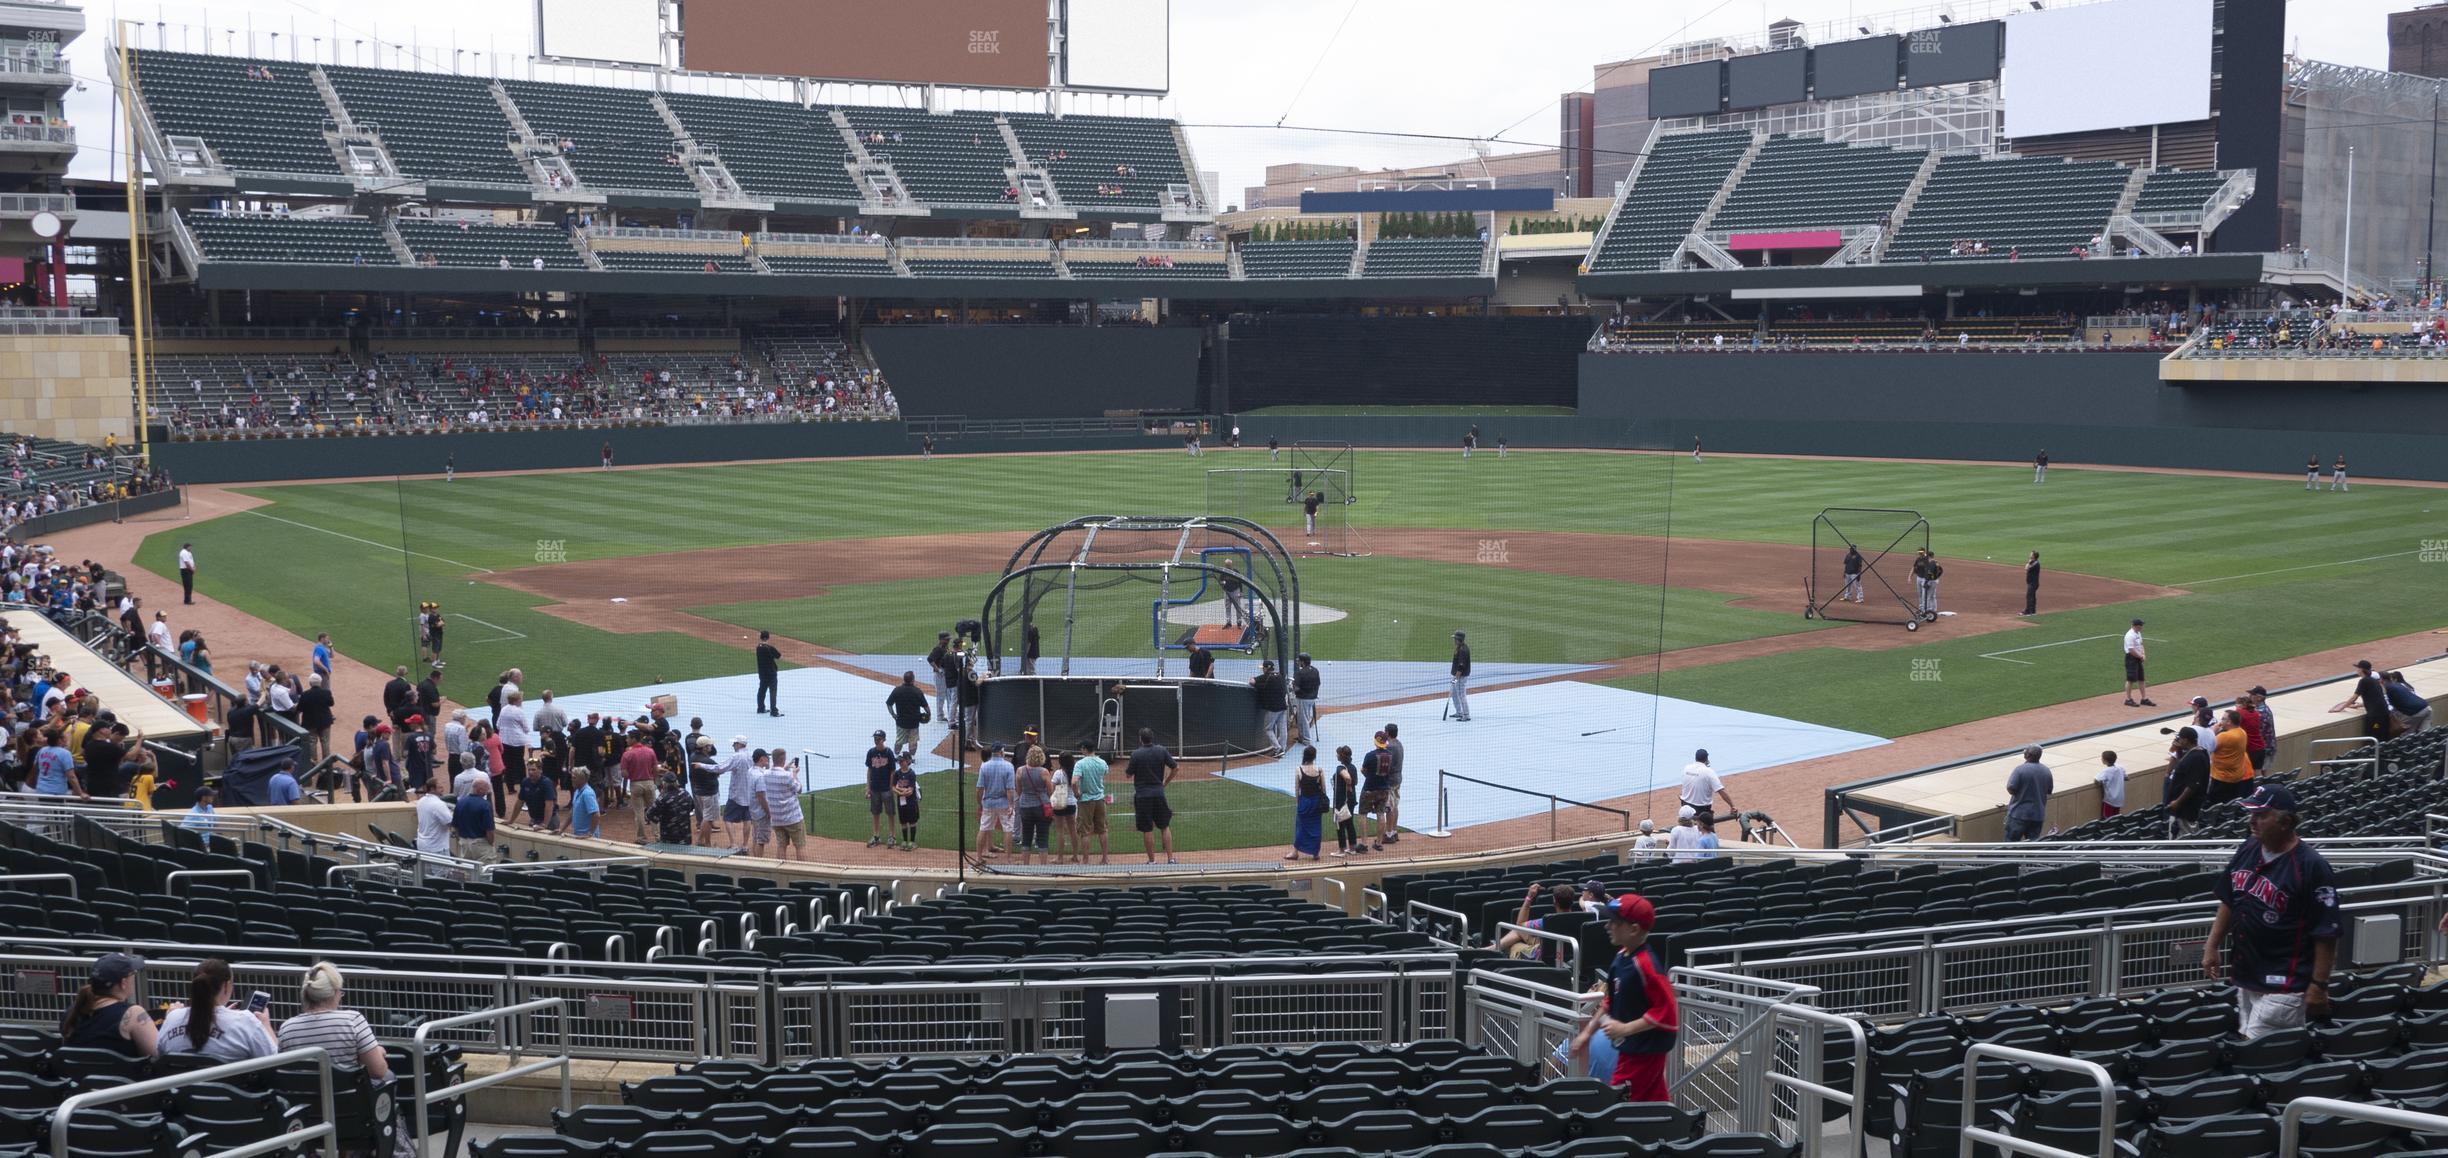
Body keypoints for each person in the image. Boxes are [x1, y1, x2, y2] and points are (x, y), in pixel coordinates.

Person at [2204, 784, 2340, 1038]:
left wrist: (2319, 985)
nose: (2253, 821)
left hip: (2285, 984)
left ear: (2285, 822)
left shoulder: (2312, 866)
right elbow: (2229, 899)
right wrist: (2212, 945)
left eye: (2261, 815)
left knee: (2258, 1056)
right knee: (2251, 1043)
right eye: (2252, 814)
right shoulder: (2249, 847)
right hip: (2247, 975)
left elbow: (2326, 932)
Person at [1569, 893, 1678, 1103]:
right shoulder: (1621, 957)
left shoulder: (1646, 965)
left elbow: (1667, 1012)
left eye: (1614, 922)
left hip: (1644, 1051)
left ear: (1634, 929)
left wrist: (1625, 1029)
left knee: (1620, 1102)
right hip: (1631, 1048)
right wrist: (1587, 1034)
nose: (1607, 926)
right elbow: (1610, 1000)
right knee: (1653, 1103)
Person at [280, 963, 390, 1081]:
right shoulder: (353, 1020)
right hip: (348, 1097)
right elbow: (378, 1071)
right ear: (335, 993)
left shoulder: (286, 1028)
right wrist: (377, 1052)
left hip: (304, 1098)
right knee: (389, 1076)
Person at [160, 958, 277, 1062]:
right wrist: (265, 1024)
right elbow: (274, 1060)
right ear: (226, 986)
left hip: (180, 1087)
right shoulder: (245, 1021)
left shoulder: (172, 1017)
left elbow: (159, 1053)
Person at [60, 952, 155, 1058]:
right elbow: (157, 1054)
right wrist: (172, 1018)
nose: (135, 976)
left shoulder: (72, 1011)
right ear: (123, 983)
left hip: (78, 1074)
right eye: (133, 973)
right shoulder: (133, 1014)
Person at [1125, 727, 1178, 864]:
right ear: (1152, 738)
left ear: (1140, 739)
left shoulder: (1136, 754)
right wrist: (1165, 782)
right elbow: (1175, 767)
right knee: (1164, 826)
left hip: (1142, 796)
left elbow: (1128, 775)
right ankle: (1171, 859)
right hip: (1159, 794)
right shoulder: (1161, 750)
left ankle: (1152, 861)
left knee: (1147, 829)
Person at [1494, 882, 1580, 961]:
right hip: (1572, 953)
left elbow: (1519, 925)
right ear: (1572, 901)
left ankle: (1490, 950)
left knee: (1514, 946)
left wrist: (1529, 897)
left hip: (1545, 957)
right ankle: (1491, 948)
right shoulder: (1582, 918)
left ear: (1554, 900)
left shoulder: (1547, 921)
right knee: (1517, 932)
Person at [2330, 659, 2394, 742]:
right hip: (2384, 713)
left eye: (2358, 668)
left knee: (2374, 736)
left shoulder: (2364, 681)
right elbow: (2375, 698)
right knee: (2383, 737)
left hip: (2376, 716)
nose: (2357, 670)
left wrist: (2340, 708)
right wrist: (2357, 705)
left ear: (2361, 670)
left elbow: (2354, 697)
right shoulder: (2373, 681)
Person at [2164, 728, 2211, 837]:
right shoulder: (2198, 752)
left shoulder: (2196, 757)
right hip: (2185, 808)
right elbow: (2184, 766)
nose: (2178, 740)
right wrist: (2179, 751)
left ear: (2186, 740)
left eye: (2180, 738)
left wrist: (2178, 802)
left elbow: (2193, 785)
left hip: (2186, 809)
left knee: (2183, 840)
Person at [1012, 745, 1051, 865]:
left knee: (1026, 836)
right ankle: (1043, 866)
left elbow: (1018, 790)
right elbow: (1050, 791)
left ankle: (1026, 866)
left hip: (1025, 806)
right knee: (1042, 837)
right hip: (1041, 807)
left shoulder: (1020, 770)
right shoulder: (1044, 772)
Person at [974, 742, 1015, 859]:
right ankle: (1008, 859)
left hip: (988, 803)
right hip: (1004, 804)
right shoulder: (1009, 766)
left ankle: (979, 858)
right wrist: (1011, 805)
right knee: (1008, 829)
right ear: (1002, 752)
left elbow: (979, 789)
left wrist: (980, 803)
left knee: (983, 828)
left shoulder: (984, 766)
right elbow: (1010, 789)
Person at [1074, 739, 1111, 864]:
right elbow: (1105, 772)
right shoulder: (1102, 762)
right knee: (1102, 829)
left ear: (1085, 748)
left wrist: (1076, 793)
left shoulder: (1080, 764)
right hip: (1100, 799)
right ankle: (1105, 859)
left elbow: (1074, 781)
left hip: (1085, 801)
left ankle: (1085, 861)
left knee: (1085, 832)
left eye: (1081, 748)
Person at [2207, 709, 2254, 807]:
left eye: (2223, 719)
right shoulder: (2242, 732)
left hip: (2222, 779)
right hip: (2236, 778)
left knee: (2215, 805)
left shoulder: (2225, 736)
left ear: (2229, 722)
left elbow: (2207, 747)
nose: (2221, 721)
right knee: (2230, 805)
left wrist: (2213, 732)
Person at [1287, 745, 1326, 861]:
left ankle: (1295, 852)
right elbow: (1323, 789)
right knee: (1316, 827)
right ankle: (1315, 853)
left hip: (1304, 802)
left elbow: (1297, 789)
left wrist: (1298, 804)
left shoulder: (1299, 769)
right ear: (1314, 756)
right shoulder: (1319, 770)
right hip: (1316, 803)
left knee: (1300, 826)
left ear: (1304, 756)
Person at [2004, 746, 2050, 842]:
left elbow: (2010, 788)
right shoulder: (2046, 771)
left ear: (2028, 755)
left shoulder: (2020, 770)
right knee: (2032, 847)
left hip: (2018, 815)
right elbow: (2049, 790)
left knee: (2010, 845)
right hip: (2037, 815)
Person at [1678, 749, 1737, 822]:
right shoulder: (1708, 772)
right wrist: (1732, 806)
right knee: (1707, 831)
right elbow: (1721, 791)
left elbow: (1685, 784)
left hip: (1686, 806)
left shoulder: (1686, 768)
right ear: (1706, 759)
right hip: (1701, 810)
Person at [1358, 732, 1393, 852]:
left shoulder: (1370, 755)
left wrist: (1368, 776)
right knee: (1380, 814)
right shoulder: (1390, 755)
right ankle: (1379, 843)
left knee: (1363, 814)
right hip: (1384, 789)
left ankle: (1364, 844)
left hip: (1369, 788)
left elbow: (1363, 769)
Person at [862, 730, 898, 848]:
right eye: (875, 738)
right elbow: (869, 770)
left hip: (886, 788)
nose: (876, 741)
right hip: (875, 788)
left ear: (883, 739)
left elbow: (893, 771)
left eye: (878, 739)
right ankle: (876, 836)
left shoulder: (889, 753)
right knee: (875, 813)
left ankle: (892, 836)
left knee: (890, 813)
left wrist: (891, 786)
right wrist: (868, 787)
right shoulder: (871, 752)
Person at [886, 671, 930, 757]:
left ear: (904, 679)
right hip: (914, 722)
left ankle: (896, 756)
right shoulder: (917, 691)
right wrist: (929, 714)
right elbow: (926, 706)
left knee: (899, 740)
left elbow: (889, 704)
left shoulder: (897, 690)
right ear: (913, 680)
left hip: (901, 721)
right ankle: (912, 758)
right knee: (913, 742)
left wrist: (893, 715)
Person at [1252, 661, 1289, 755]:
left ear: (1265, 668)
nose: (1262, 669)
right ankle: (1283, 749)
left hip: (1273, 708)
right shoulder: (1280, 675)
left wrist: (1257, 685)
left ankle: (1278, 748)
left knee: (1268, 729)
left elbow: (1252, 681)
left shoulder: (1266, 676)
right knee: (1283, 729)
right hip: (1283, 706)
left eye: (1263, 668)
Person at [890, 752, 922, 850]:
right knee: (903, 821)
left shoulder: (911, 774)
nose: (900, 763)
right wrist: (900, 792)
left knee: (912, 821)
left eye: (902, 761)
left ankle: (912, 841)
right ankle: (904, 841)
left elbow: (911, 790)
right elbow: (893, 787)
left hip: (911, 802)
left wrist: (902, 791)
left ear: (908, 761)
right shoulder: (897, 773)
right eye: (899, 761)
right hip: (901, 801)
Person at [2385, 670, 2433, 735]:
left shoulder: (2391, 688)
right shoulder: (2403, 685)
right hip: (2427, 707)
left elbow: (2390, 706)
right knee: (2425, 735)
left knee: (2405, 735)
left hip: (2415, 712)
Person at [412, 778, 451, 856]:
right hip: (437, 848)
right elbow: (450, 822)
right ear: (432, 789)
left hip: (423, 845)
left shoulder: (421, 801)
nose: (443, 789)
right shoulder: (438, 804)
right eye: (440, 787)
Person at [2122, 619, 2154, 707]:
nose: (2142, 627)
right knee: (2130, 679)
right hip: (2131, 658)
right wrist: (2140, 656)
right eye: (2141, 625)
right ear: (2136, 626)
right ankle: (2128, 699)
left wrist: (2143, 654)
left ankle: (2144, 699)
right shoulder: (2130, 635)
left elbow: (2141, 644)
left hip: (2138, 657)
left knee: (2141, 679)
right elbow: (2131, 650)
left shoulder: (2138, 633)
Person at [1292, 653, 1322, 745]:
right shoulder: (1315, 670)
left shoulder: (1300, 673)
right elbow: (1318, 683)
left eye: (1299, 661)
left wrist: (1293, 688)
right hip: (1312, 698)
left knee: (1303, 718)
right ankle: (1301, 737)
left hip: (1303, 698)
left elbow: (1296, 687)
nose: (1298, 662)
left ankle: (1306, 739)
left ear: (1302, 661)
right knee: (1302, 717)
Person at [753, 630, 783, 716]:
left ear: (761, 637)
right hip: (771, 673)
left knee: (762, 690)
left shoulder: (758, 647)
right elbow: (779, 656)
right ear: (768, 637)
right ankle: (774, 711)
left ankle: (760, 708)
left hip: (762, 673)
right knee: (773, 692)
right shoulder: (770, 648)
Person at [2094, 750, 2126, 819]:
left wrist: (2101, 784)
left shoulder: (2106, 771)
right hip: (2119, 798)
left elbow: (2096, 780)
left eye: (2102, 758)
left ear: (2105, 761)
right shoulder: (2120, 768)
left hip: (2110, 799)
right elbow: (2127, 777)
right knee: (2116, 816)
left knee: (2107, 817)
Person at [1449, 630, 1472, 721]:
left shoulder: (1463, 650)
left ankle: (1466, 715)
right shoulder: (1459, 647)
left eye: (1455, 638)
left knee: (1461, 695)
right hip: (1457, 676)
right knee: (1454, 693)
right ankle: (1459, 712)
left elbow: (1461, 666)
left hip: (1460, 677)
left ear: (1459, 639)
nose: (1454, 640)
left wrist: (1456, 678)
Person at [2023, 552, 2041, 616]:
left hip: (2033, 583)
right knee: (2032, 597)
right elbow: (2026, 568)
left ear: (2034, 556)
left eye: (2031, 554)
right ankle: (2033, 611)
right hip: (2031, 582)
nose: (2029, 555)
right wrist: (2029, 562)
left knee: (2029, 596)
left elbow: (2026, 568)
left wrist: (2028, 562)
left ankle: (2028, 611)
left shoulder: (2036, 563)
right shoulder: (2033, 562)